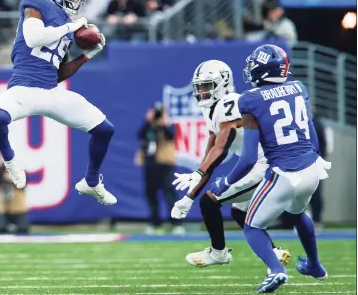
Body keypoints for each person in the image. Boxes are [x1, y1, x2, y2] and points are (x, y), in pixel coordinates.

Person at [0, 0, 117, 206]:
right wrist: (71, 27)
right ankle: (9, 159)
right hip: (23, 88)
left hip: (50, 91)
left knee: (104, 129)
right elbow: (34, 38)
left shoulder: (66, 24)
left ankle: (91, 182)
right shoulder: (37, 0)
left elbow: (57, 73)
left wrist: (87, 55)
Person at [211, 44, 331, 292]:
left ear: (261, 70)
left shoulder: (250, 100)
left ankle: (277, 270)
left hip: (284, 174)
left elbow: (247, 160)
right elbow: (311, 134)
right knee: (298, 215)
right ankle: (315, 266)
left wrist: (226, 182)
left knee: (253, 227)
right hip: (312, 167)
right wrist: (313, 159)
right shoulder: (299, 88)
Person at [171, 60, 290, 269]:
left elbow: (221, 148)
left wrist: (198, 176)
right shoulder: (212, 109)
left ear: (223, 83)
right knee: (237, 210)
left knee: (210, 202)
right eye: (199, 86)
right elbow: (211, 154)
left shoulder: (230, 103)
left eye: (207, 85)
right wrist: (189, 196)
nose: (202, 91)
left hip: (267, 166)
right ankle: (273, 252)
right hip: (258, 165)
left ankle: (218, 253)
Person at [136, 102, 184, 234]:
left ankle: (176, 223)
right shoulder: (148, 126)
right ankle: (154, 222)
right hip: (150, 162)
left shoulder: (169, 124)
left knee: (169, 192)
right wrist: (148, 121)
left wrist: (165, 123)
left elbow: (171, 135)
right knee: (150, 192)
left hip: (165, 162)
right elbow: (139, 135)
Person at [0, 158, 29, 234]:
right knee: (0, 228)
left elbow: (24, 184)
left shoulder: (20, 171)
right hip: (4, 206)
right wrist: (0, 171)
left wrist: (13, 178)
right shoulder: (0, 171)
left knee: (23, 229)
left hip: (18, 207)